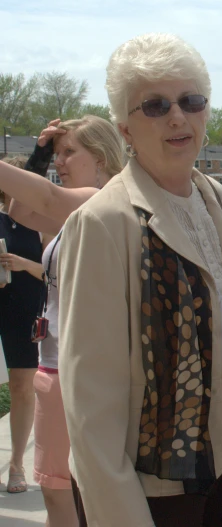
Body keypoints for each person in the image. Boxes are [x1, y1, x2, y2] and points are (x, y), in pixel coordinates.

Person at [57, 33, 222, 527]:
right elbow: (89, 405)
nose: (177, 116)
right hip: (151, 494)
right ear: (125, 127)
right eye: (155, 105)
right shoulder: (103, 223)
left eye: (191, 101)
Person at [0, 116, 124, 527]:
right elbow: (21, 210)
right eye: (58, 155)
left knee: (75, 494)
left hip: (86, 373)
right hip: (55, 363)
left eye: (70, 152)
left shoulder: (102, 200)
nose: (61, 162)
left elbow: (48, 200)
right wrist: (38, 154)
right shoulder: (75, 207)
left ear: (102, 157)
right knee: (57, 490)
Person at [0, 156, 45, 495]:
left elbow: (55, 271)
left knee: (21, 385)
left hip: (28, 309)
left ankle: (16, 464)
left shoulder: (42, 221)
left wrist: (23, 264)